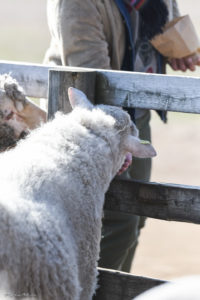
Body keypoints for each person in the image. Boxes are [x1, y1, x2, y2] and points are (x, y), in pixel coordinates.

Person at [44, 0, 200, 273]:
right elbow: (90, 74)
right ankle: (82, 290)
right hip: (91, 127)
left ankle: (115, 289)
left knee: (137, 214)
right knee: (119, 223)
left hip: (135, 117)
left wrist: (175, 49)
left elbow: (165, 23)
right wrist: (117, 140)